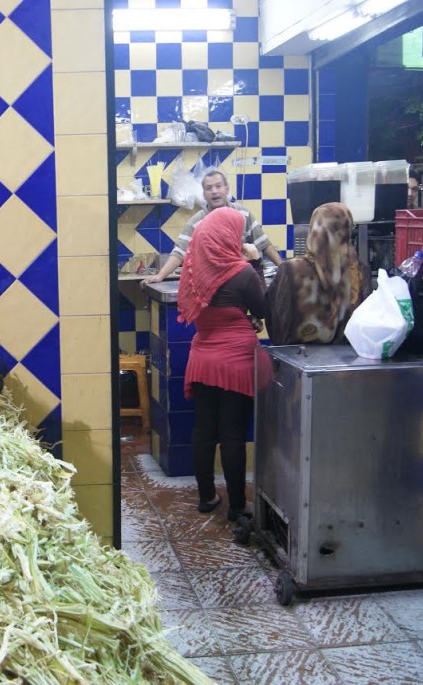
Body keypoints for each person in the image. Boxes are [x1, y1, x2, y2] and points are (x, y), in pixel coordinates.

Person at [177, 206, 266, 520]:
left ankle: (206, 497)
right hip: (236, 361)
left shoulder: (193, 272)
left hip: (202, 357)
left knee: (204, 431)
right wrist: (255, 260)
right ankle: (238, 506)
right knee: (232, 436)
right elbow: (264, 306)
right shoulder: (241, 273)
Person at [141, 170, 282, 287]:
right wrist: (160, 276)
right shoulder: (197, 222)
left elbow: (263, 243)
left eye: (218, 186)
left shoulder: (243, 214)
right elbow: (180, 251)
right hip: (211, 285)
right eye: (209, 188)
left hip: (241, 282)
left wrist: (284, 269)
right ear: (204, 194)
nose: (214, 191)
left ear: (227, 189)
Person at [265, 202, 371, 346]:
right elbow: (366, 321)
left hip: (296, 358)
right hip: (347, 360)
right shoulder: (358, 270)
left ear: (313, 229)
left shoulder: (290, 270)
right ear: (347, 231)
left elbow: (275, 318)